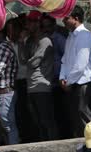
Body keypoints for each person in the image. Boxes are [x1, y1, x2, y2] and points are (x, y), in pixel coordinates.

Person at [60, 6, 91, 138]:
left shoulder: (84, 36)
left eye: (66, 18)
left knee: (85, 115)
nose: (63, 21)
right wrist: (62, 78)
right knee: (76, 118)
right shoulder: (70, 37)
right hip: (72, 83)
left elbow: (80, 65)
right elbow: (65, 60)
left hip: (84, 83)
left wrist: (68, 81)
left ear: (76, 19)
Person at [19, 11, 56, 141]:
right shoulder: (29, 41)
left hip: (42, 87)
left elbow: (33, 63)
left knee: (46, 122)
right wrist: (21, 42)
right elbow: (23, 60)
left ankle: (52, 147)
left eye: (29, 22)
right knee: (38, 123)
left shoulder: (45, 41)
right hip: (31, 86)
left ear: (37, 24)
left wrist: (28, 58)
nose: (27, 25)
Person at [42, 14, 70, 139]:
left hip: (60, 80)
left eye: (48, 26)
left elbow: (66, 58)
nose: (46, 29)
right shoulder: (44, 40)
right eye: (44, 26)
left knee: (63, 111)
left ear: (53, 25)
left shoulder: (58, 39)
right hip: (50, 81)